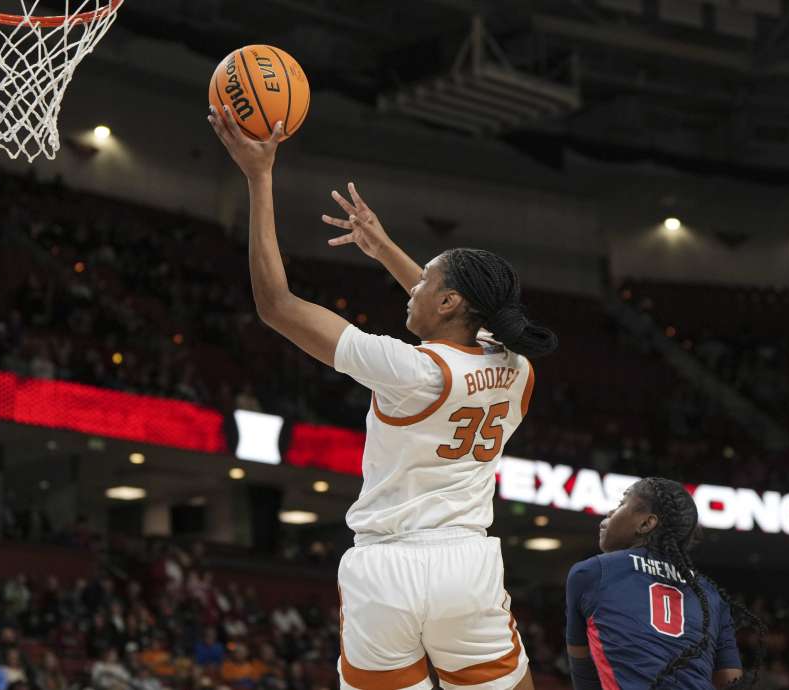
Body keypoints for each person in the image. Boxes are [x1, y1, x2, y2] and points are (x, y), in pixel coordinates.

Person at [209, 106, 556, 690]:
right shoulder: (517, 366)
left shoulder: (408, 369)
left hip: (386, 570)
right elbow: (465, 314)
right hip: (466, 566)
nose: (413, 285)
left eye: (426, 281)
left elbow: (276, 305)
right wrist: (385, 248)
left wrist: (258, 177)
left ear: (449, 304)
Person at [564, 478, 766, 690]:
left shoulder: (592, 572)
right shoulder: (711, 595)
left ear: (646, 524)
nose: (610, 513)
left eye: (621, 504)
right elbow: (729, 680)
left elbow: (583, 671)